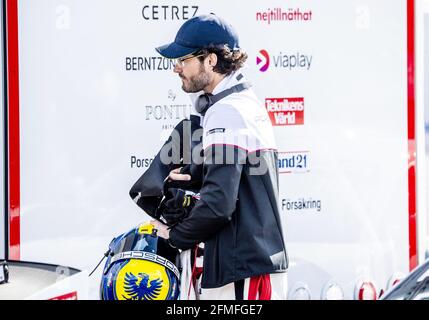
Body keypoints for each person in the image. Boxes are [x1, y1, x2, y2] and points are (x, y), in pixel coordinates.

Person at [151, 13, 288, 300]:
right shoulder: (237, 103)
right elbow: (236, 186)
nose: (176, 68)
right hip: (247, 267)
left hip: (242, 272)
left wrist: (174, 237)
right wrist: (192, 179)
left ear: (210, 60)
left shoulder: (227, 110)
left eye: (183, 60)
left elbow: (219, 204)